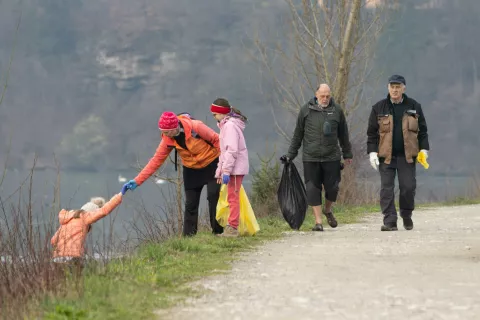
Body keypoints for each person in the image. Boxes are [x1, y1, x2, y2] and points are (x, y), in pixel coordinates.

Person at [122, 111, 224, 236]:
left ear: (174, 128)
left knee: (214, 196)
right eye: (162, 131)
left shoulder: (196, 127)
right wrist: (137, 181)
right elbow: (155, 161)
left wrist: (223, 165)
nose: (163, 134)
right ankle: (189, 239)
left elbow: (219, 141)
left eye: (166, 131)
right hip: (191, 169)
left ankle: (218, 233)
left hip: (212, 164)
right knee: (191, 204)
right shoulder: (167, 140)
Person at [281, 84, 353, 231]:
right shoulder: (305, 110)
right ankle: (318, 222)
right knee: (312, 189)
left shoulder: (337, 110)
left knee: (332, 188)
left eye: (327, 96)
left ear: (330, 95)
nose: (325, 99)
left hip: (331, 157)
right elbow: (297, 135)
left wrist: (347, 154)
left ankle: (327, 210)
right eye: (322, 96)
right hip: (310, 157)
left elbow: (343, 134)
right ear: (316, 94)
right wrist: (290, 155)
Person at [367, 75, 430, 231]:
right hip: (385, 157)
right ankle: (390, 220)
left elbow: (423, 131)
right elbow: (372, 134)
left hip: (407, 156)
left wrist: (424, 149)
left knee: (408, 187)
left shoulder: (414, 106)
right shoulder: (378, 107)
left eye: (398, 87)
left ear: (404, 88)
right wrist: (372, 153)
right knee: (386, 188)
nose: (395, 90)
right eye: (392, 87)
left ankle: (406, 214)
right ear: (388, 88)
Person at [51, 188, 125, 279]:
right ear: (91, 213)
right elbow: (104, 211)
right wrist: (119, 195)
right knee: (77, 279)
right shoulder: (85, 216)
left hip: (57, 258)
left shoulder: (67, 220)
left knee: (62, 281)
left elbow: (53, 240)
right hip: (72, 257)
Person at [210, 98, 249, 237]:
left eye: (214, 114)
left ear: (221, 113)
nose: (213, 117)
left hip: (235, 168)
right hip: (232, 168)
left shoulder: (230, 127)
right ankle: (232, 226)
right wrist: (219, 171)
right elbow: (223, 152)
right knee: (231, 197)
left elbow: (231, 150)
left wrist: (226, 170)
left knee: (233, 198)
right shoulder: (225, 126)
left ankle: (232, 227)